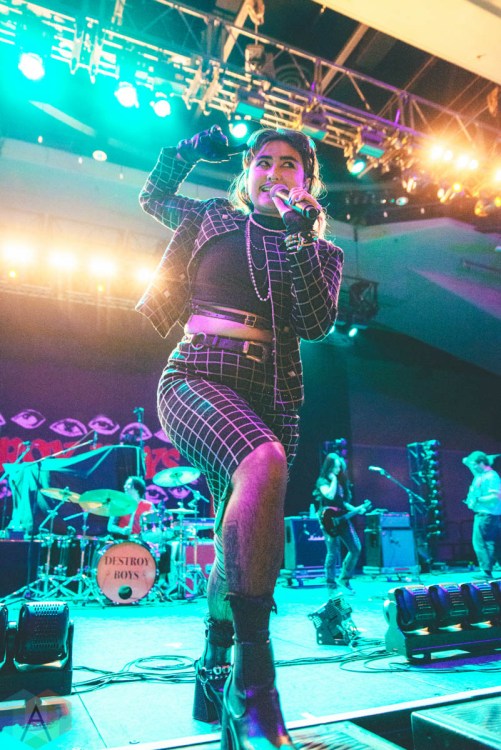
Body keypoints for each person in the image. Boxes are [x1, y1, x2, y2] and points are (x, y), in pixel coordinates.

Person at [137, 123, 343, 748]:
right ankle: (254, 688)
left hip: (270, 393)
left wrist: (301, 235)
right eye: (264, 162)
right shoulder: (210, 219)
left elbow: (315, 322)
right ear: (247, 173)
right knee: (263, 462)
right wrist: (185, 151)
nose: (274, 172)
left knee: (238, 537)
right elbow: (153, 196)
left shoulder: (320, 252)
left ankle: (213, 666)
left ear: (306, 182)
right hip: (196, 373)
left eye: (290, 165)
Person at [314, 453, 368, 595]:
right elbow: (329, 495)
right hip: (328, 518)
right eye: (335, 467)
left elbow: (342, 502)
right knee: (333, 551)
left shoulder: (341, 482)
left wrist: (357, 509)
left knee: (356, 548)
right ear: (329, 467)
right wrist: (333, 480)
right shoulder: (322, 481)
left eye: (339, 467)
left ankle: (344, 578)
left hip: (342, 517)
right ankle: (330, 583)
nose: (338, 470)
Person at [463, 451, 501, 579]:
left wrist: (477, 500)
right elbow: (465, 460)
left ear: (481, 463)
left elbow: (495, 497)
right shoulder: (482, 475)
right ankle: (490, 568)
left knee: (481, 543)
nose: (472, 467)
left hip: (487, 514)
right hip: (487, 514)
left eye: (474, 464)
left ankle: (486, 571)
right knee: (494, 542)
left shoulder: (491, 476)